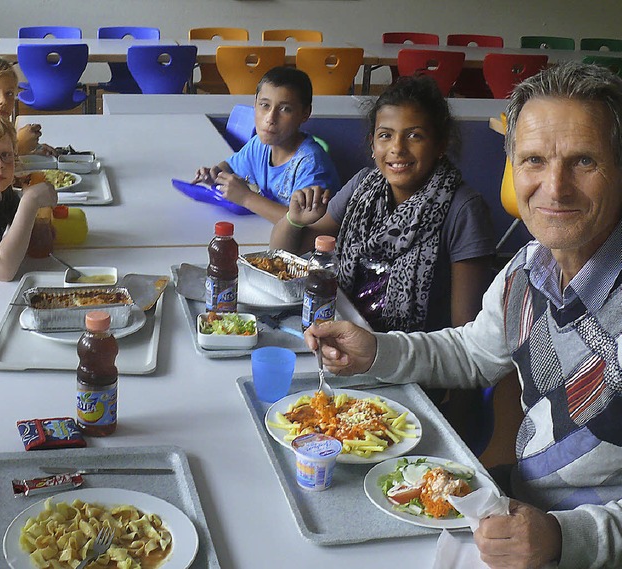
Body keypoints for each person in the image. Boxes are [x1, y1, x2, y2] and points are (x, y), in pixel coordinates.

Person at [306, 61, 622, 569]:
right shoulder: (527, 267)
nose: (555, 187)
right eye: (534, 160)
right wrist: (376, 350)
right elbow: (472, 353)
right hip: (516, 511)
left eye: (584, 161)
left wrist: (567, 538)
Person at [271, 75, 495, 334]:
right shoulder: (364, 186)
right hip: (344, 332)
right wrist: (295, 220)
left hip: (412, 358)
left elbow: (466, 333)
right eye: (385, 135)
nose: (397, 148)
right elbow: (284, 253)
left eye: (414, 136)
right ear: (373, 144)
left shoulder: (464, 210)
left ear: (440, 145)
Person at [192, 66, 340, 223]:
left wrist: (246, 198)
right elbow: (230, 166)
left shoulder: (312, 166)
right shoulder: (260, 144)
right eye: (265, 105)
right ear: (255, 104)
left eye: (285, 109)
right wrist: (216, 174)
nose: (270, 118)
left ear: (305, 113)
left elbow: (305, 224)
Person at [0, 109, 56, 286]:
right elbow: (4, 270)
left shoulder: (3, 194)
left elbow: (36, 239)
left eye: (5, 155)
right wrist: (30, 202)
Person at [0, 54, 55, 156]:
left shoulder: (4, 129)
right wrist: (19, 146)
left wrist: (30, 151)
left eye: (9, 93)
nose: (2, 101)